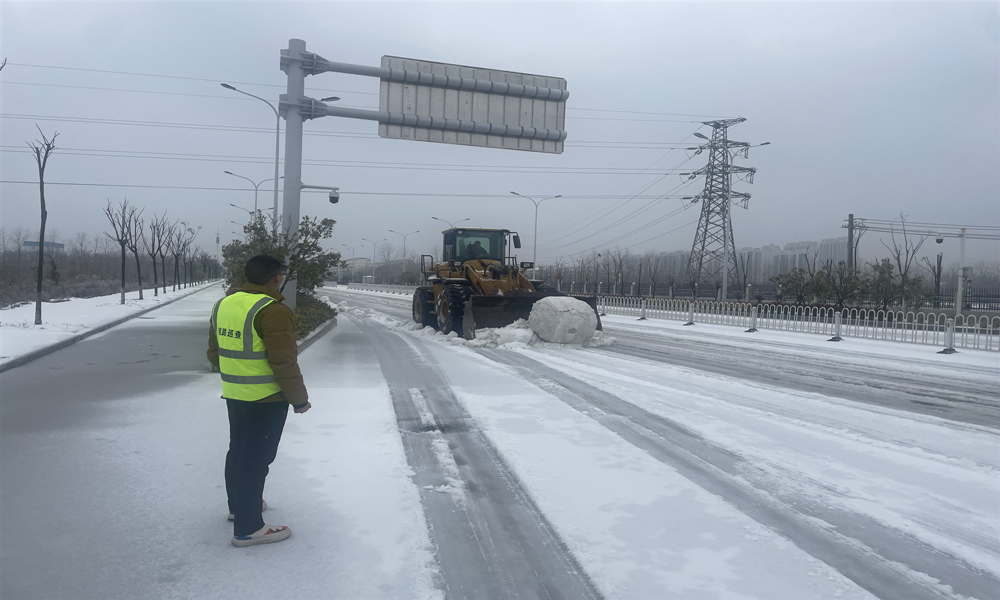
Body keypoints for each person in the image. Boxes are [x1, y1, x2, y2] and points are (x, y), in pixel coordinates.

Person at [207, 254, 311, 547]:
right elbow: (284, 361)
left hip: (235, 393)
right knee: (256, 460)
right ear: (276, 277)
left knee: (239, 452)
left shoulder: (223, 303)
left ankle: (238, 507)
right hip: (266, 398)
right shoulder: (272, 310)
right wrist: (299, 400)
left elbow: (214, 354)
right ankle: (248, 527)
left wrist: (237, 374)